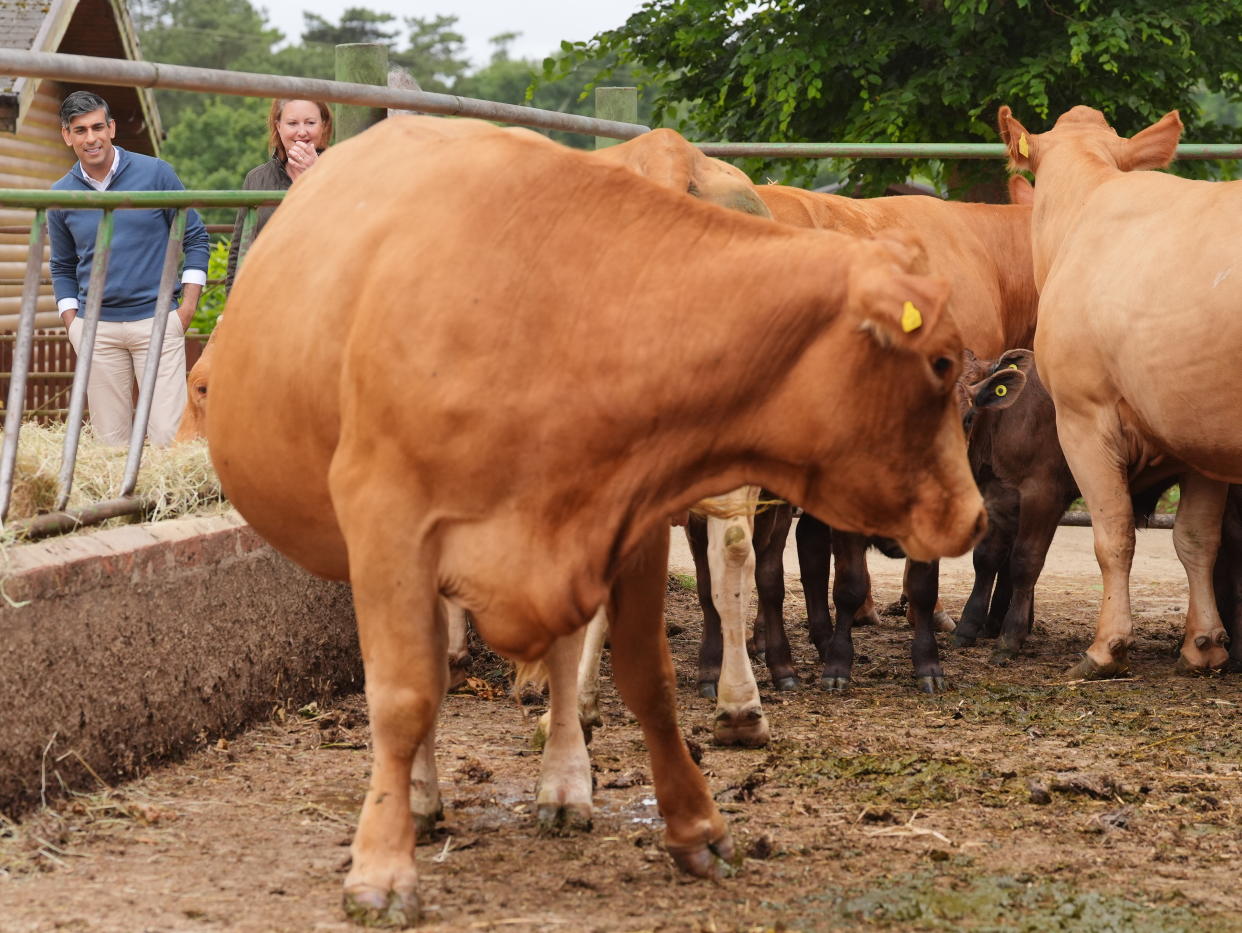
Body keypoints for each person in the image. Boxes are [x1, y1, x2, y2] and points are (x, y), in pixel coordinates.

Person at [48, 90, 210, 447]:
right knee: (111, 443)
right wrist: (72, 324)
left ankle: (161, 504)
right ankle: (118, 505)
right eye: (80, 130)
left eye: (97, 127)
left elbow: (196, 238)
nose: (91, 138)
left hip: (157, 321)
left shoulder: (156, 173)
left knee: (168, 437)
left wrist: (186, 310)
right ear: (66, 135)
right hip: (96, 330)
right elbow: (62, 265)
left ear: (112, 128)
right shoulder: (60, 194)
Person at [225, 99, 333, 287]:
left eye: (310, 123)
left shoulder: (344, 170)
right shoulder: (256, 178)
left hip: (325, 289)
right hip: (269, 291)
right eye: (292, 123)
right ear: (278, 126)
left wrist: (317, 175)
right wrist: (232, 305)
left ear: (323, 126)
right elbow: (239, 249)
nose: (302, 132)